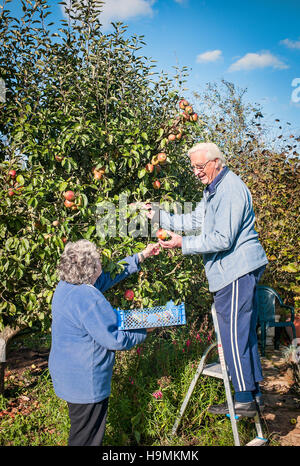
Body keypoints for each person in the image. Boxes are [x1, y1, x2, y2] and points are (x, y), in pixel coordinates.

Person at [144, 142, 268, 417]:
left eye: (200, 167)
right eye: (193, 167)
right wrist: (158, 215)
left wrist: (182, 244)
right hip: (229, 271)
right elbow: (193, 220)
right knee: (242, 334)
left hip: (236, 270)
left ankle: (245, 397)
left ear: (216, 162)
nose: (196, 172)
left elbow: (223, 238)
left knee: (233, 334)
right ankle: (253, 394)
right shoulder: (212, 191)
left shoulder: (231, 189)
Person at [48, 239, 160, 446]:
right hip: (85, 381)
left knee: (81, 430)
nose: (103, 263)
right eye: (99, 261)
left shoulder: (66, 286)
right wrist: (145, 328)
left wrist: (142, 256)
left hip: (68, 375)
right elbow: (115, 339)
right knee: (86, 439)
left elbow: (108, 277)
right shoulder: (88, 298)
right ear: (91, 269)